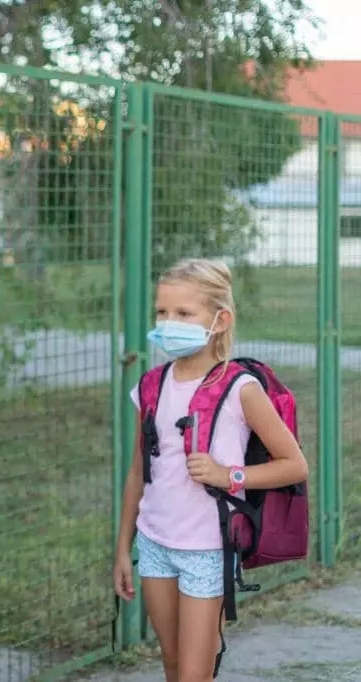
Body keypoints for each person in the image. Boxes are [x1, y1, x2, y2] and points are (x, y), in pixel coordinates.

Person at [113, 259, 309, 682]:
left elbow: (294, 465)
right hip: (154, 545)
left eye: (184, 314)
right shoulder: (149, 385)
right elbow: (136, 473)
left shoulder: (242, 388)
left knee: (194, 676)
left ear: (220, 320)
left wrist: (229, 475)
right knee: (171, 666)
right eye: (162, 312)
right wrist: (122, 550)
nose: (168, 323)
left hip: (206, 549)